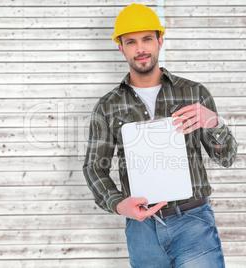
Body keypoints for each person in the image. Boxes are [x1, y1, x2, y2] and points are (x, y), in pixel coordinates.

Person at [83, 3, 237, 267]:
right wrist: (119, 204)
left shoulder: (194, 93)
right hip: (142, 230)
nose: (140, 49)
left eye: (147, 39)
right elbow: (94, 167)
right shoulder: (107, 106)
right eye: (131, 42)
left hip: (194, 223)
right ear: (121, 48)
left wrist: (214, 123)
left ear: (160, 41)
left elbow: (227, 158)